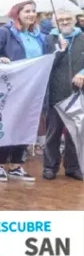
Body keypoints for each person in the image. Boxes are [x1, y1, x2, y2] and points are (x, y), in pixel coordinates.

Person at [0, 1, 52, 182]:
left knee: (26, 125)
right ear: (17, 13)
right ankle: (0, 164)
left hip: (34, 88)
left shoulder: (40, 36)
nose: (31, 14)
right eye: (27, 11)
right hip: (11, 88)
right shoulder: (4, 33)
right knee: (7, 124)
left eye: (33, 11)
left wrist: (59, 49)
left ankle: (16, 164)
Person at [44, 10, 84, 181]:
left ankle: (72, 167)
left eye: (68, 19)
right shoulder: (48, 40)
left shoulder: (82, 38)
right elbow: (45, 65)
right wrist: (60, 51)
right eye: (61, 20)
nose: (65, 22)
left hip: (77, 94)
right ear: (54, 23)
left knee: (75, 132)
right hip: (55, 93)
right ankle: (50, 166)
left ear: (75, 20)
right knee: (53, 133)